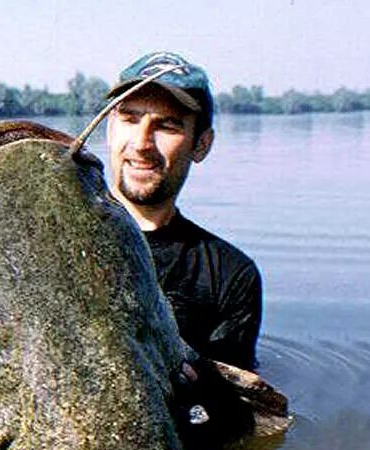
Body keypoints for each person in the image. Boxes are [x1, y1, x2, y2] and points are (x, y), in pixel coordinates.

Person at [104, 52, 263, 371]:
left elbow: (241, 405)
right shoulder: (48, 237)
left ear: (201, 144)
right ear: (109, 128)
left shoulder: (229, 276)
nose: (142, 143)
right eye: (130, 119)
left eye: (166, 125)